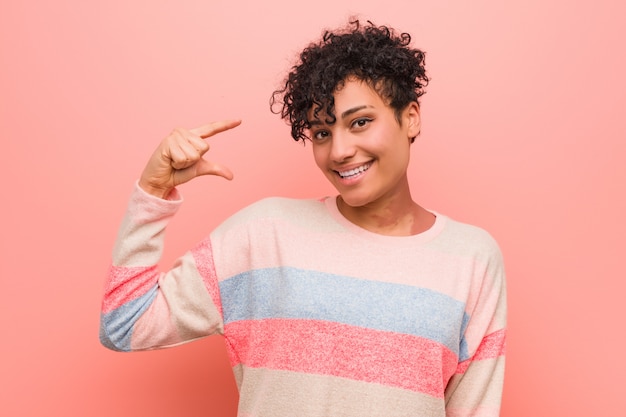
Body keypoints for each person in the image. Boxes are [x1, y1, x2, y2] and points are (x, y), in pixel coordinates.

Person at [100, 20, 507, 417]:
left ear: (411, 117)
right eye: (322, 132)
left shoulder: (471, 257)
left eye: (360, 122)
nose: (340, 151)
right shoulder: (265, 235)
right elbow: (124, 323)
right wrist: (152, 194)